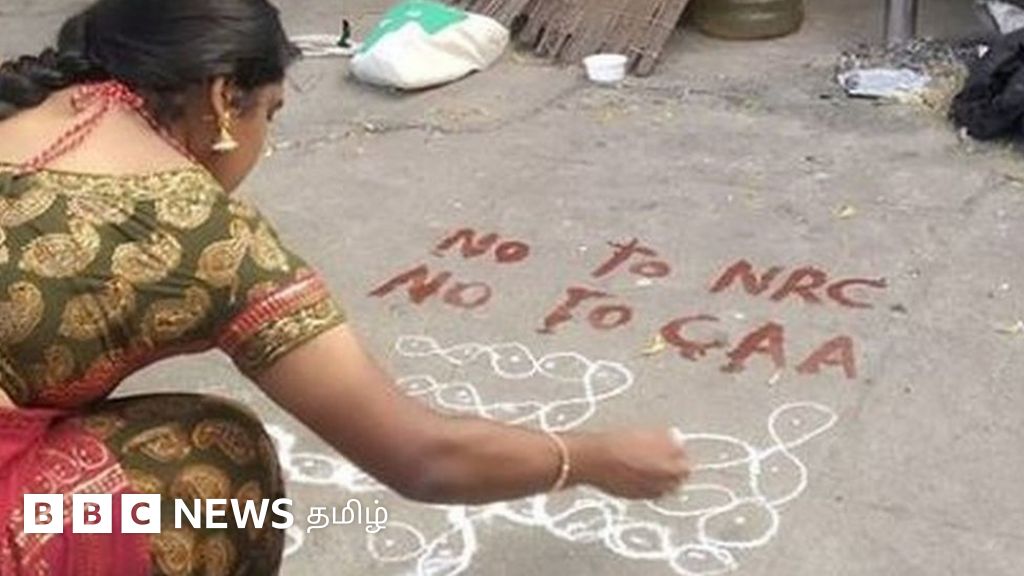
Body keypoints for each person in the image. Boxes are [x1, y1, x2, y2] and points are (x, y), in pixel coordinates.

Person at [0, 0, 690, 574]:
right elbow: (423, 458)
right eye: (269, 113)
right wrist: (589, 458)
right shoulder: (201, 234)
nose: (264, 141)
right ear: (220, 99)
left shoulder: (19, 98)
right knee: (216, 472)